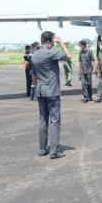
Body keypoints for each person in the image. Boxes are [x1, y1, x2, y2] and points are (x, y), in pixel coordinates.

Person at [31, 31, 71, 159]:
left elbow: (34, 75)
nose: (54, 44)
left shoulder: (35, 54)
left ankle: (42, 149)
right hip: (52, 91)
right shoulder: (50, 52)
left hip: (40, 90)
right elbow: (68, 56)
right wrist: (61, 42)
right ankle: (54, 151)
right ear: (49, 41)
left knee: (43, 120)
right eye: (53, 42)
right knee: (55, 121)